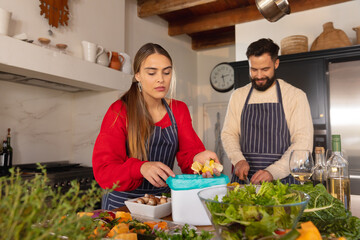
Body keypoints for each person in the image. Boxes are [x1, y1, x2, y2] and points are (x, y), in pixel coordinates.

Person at [93, 43, 219, 210]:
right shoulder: (119, 111)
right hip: (122, 205)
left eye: (166, 72)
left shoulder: (178, 110)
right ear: (137, 75)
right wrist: (140, 167)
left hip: (162, 202)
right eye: (152, 73)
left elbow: (189, 154)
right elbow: (104, 170)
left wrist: (200, 159)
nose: (161, 79)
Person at [221, 38, 313, 185]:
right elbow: (228, 133)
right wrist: (238, 159)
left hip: (283, 183)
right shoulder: (238, 96)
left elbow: (303, 144)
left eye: (265, 69)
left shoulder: (295, 96)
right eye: (253, 69)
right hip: (246, 182)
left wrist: (273, 172)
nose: (258, 76)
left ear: (276, 64)